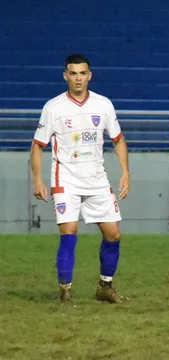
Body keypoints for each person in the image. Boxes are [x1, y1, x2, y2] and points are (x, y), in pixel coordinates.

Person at [31, 54, 130, 305]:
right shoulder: (53, 108)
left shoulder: (103, 104)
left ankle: (105, 288)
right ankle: (65, 291)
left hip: (97, 179)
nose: (78, 78)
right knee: (69, 232)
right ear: (66, 76)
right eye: (73, 73)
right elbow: (37, 145)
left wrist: (126, 171)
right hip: (66, 179)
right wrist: (38, 179)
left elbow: (118, 139)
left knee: (113, 234)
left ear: (90, 75)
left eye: (82, 73)